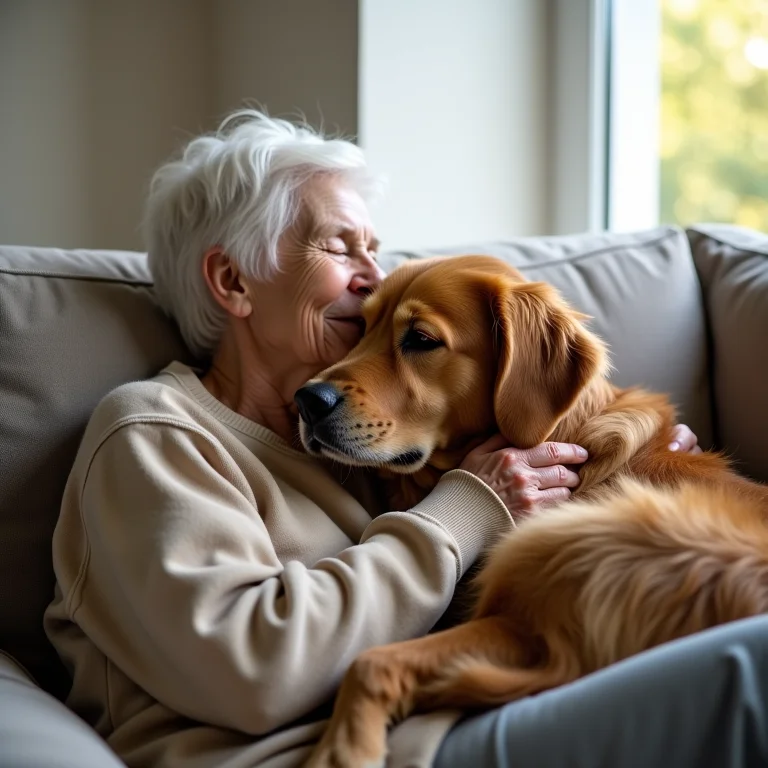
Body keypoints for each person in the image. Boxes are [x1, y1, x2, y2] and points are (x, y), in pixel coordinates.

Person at [43, 110, 732, 768]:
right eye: (341, 246)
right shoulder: (154, 434)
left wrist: (638, 476)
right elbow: (253, 671)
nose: (376, 275)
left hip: (458, 717)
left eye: (373, 246)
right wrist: (465, 508)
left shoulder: (367, 447)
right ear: (233, 281)